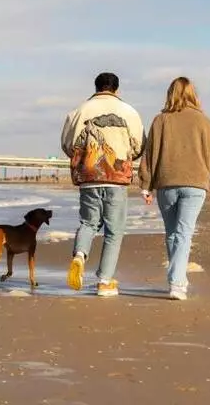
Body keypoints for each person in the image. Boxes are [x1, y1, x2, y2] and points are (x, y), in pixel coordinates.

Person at [60, 72, 145, 297]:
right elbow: (139, 146)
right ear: (116, 89)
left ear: (96, 87)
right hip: (116, 179)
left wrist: (83, 159)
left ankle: (80, 255)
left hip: (88, 178)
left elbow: (67, 144)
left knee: (88, 223)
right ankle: (105, 281)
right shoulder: (129, 111)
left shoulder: (78, 111)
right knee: (114, 231)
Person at [138, 77, 210, 300]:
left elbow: (150, 154)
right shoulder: (203, 121)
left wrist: (146, 185)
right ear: (193, 94)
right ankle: (177, 283)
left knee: (173, 233)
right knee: (183, 233)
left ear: (170, 94)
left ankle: (177, 280)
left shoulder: (160, 120)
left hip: (167, 183)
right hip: (195, 184)